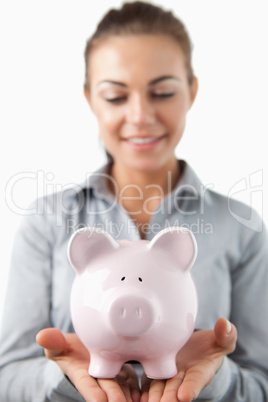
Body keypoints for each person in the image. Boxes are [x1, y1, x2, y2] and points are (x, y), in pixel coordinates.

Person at [0, 1, 267, 401]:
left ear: (191, 91)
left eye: (161, 92)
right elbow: (8, 378)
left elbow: (261, 382)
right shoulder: (47, 221)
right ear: (91, 99)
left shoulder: (239, 226)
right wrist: (63, 377)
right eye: (115, 96)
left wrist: (215, 378)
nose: (140, 115)